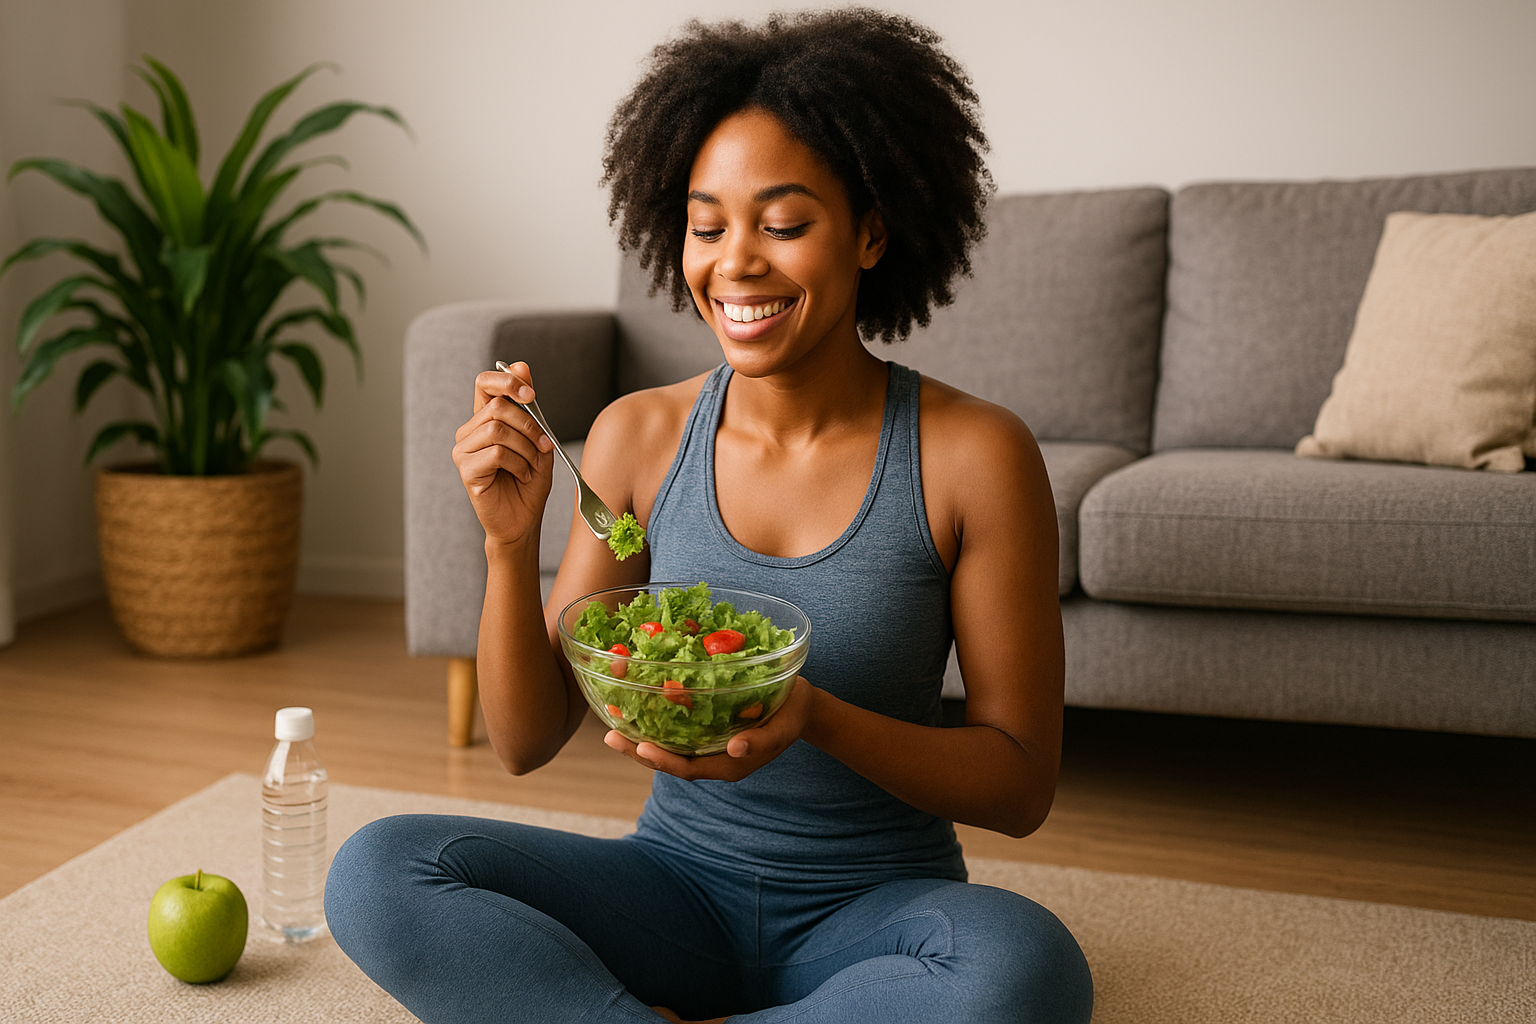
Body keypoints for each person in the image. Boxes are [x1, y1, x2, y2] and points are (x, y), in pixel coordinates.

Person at [326, 9, 1093, 1023]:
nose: (736, 262)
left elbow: (1019, 782)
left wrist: (813, 713)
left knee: (1023, 969)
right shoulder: (634, 441)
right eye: (707, 223)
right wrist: (509, 545)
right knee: (378, 868)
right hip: (671, 896)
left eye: (783, 223)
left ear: (869, 230)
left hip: (876, 912)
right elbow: (525, 735)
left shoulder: (974, 454)